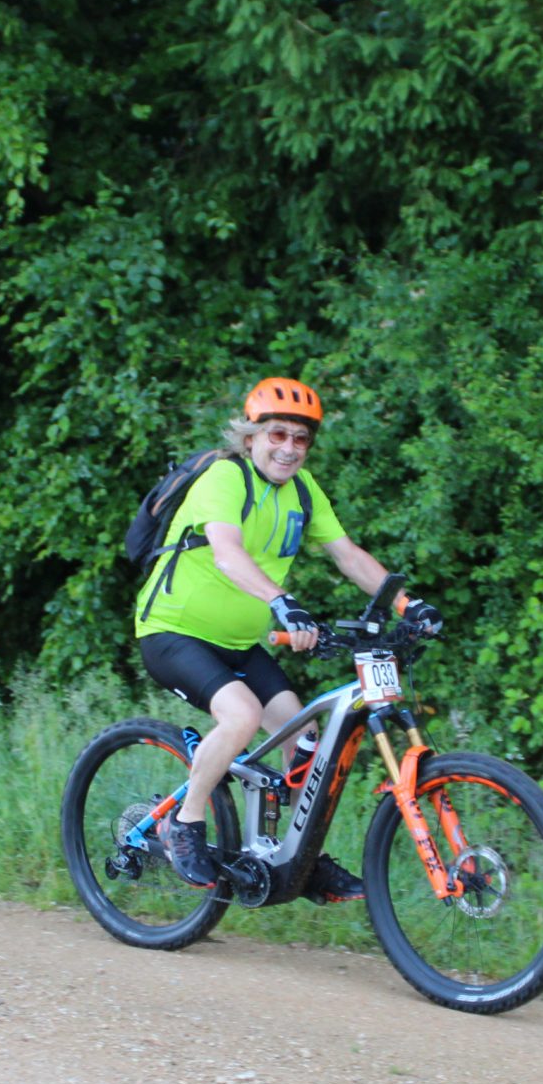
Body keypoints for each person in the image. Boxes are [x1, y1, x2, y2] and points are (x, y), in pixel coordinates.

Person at [133, 376, 443, 897]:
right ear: (250, 436)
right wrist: (282, 602)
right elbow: (227, 553)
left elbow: (347, 555)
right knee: (241, 715)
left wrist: (406, 605)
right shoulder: (225, 477)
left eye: (301, 439)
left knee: (304, 741)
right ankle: (182, 824)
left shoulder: (302, 491)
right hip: (173, 631)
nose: (289, 448)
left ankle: (300, 860)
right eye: (277, 434)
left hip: (240, 642)